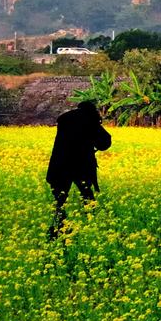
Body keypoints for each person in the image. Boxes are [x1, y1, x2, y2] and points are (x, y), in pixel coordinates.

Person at [46, 100, 112, 237]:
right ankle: (92, 224)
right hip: (82, 164)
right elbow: (105, 141)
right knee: (87, 195)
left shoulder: (65, 118)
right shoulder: (90, 118)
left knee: (60, 199)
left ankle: (58, 228)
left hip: (60, 163)